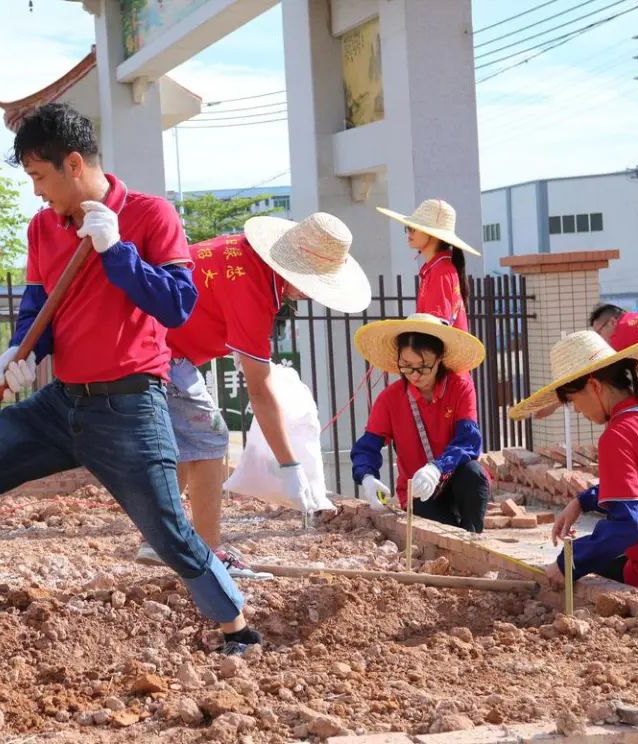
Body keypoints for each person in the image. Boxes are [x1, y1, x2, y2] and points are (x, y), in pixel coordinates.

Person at [0, 103, 260, 654]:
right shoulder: (43, 227)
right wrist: (21, 350)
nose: (36, 192)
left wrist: (118, 252)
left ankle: (239, 630)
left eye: (39, 176)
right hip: (61, 406)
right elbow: (38, 306)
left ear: (73, 164)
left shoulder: (152, 216)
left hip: (130, 407)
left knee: (169, 532)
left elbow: (177, 306)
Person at [134, 213, 372, 579]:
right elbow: (259, 390)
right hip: (158, 348)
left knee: (188, 441)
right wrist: (290, 466)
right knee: (210, 434)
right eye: (313, 284)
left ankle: (159, 538)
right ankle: (209, 554)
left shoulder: (246, 257)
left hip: (153, 341)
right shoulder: (254, 290)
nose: (310, 295)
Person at [508, 330, 638, 600]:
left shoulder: (619, 434)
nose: (578, 411)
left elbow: (631, 525)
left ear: (594, 387)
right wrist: (583, 500)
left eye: (573, 401)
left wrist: (568, 563)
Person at [350, 313, 489, 532]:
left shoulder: (460, 387)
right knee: (446, 535)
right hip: (417, 492)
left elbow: (469, 441)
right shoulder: (390, 399)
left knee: (474, 474)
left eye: (423, 366)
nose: (414, 375)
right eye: (406, 366)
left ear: (440, 358)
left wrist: (437, 468)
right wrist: (366, 476)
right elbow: (368, 446)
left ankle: (474, 538)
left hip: (455, 479)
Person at [376, 199, 480, 331]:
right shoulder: (438, 269)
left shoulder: (441, 272)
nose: (409, 233)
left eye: (413, 228)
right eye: (408, 228)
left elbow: (434, 331)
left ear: (433, 234)